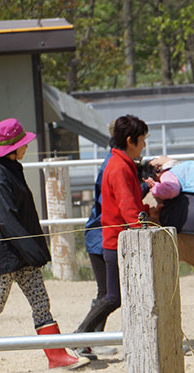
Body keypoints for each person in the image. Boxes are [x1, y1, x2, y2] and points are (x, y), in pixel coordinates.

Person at [0, 118, 89, 373]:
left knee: (40, 302)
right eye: (22, 143)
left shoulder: (12, 169)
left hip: (21, 253)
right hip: (5, 255)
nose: (26, 147)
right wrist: (33, 250)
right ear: (11, 148)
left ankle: (56, 356)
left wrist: (34, 249)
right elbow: (6, 219)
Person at [74, 115, 160, 338]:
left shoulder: (121, 163)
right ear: (130, 140)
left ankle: (85, 337)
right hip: (116, 242)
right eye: (142, 140)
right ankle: (81, 333)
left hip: (116, 239)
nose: (144, 145)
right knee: (112, 297)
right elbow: (128, 209)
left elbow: (130, 204)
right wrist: (145, 222)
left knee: (114, 295)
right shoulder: (119, 167)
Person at [75, 121, 118, 359]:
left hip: (98, 234)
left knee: (107, 292)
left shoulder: (112, 161)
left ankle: (90, 338)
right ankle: (84, 335)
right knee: (109, 294)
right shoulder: (113, 165)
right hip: (100, 235)